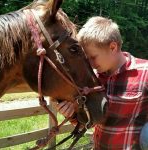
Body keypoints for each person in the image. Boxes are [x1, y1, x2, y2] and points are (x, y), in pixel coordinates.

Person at [55, 16, 148, 150]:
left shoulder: (145, 72)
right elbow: (87, 123)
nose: (91, 64)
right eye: (87, 59)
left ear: (112, 47)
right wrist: (72, 114)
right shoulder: (93, 79)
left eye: (93, 57)